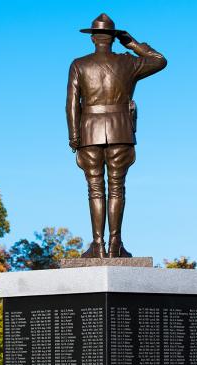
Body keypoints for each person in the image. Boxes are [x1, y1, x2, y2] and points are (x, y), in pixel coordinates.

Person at [66, 13, 167, 258]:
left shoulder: (79, 65)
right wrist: (132, 43)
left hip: (89, 132)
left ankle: (98, 244)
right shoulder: (128, 62)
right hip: (121, 130)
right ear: (113, 38)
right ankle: (115, 244)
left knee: (95, 189)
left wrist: (74, 136)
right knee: (117, 188)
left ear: (93, 39)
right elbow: (159, 60)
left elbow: (71, 104)